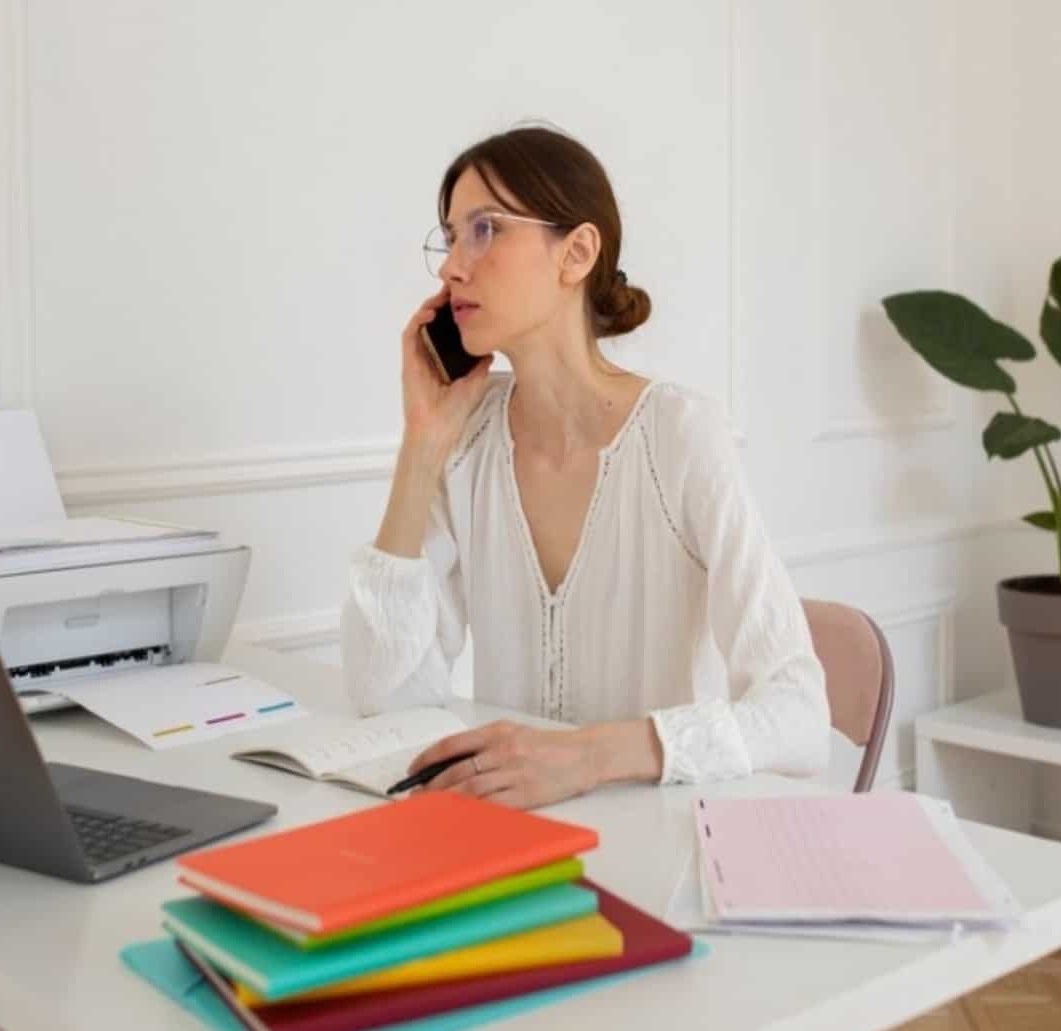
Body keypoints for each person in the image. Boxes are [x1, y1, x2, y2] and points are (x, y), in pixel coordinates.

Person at [340, 125, 829, 809]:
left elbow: (801, 716)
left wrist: (591, 755)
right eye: (449, 237)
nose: (453, 266)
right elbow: (386, 699)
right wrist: (421, 443)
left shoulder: (677, 435)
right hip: (513, 851)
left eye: (484, 229)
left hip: (657, 847)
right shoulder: (467, 442)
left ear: (575, 253)